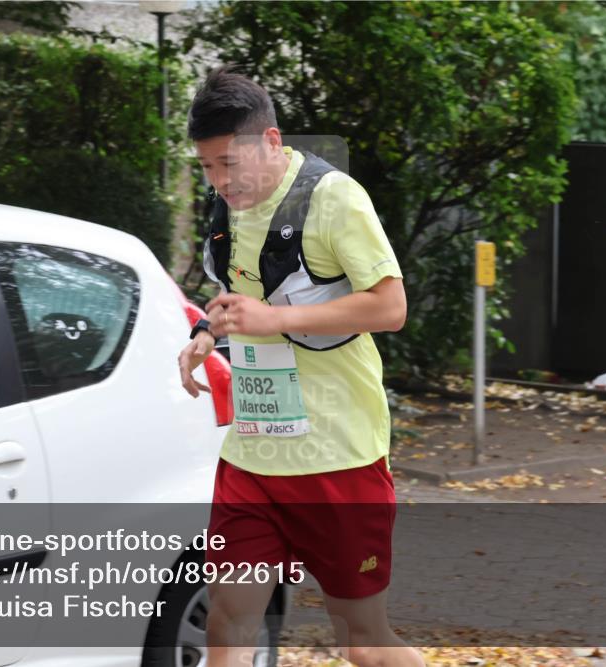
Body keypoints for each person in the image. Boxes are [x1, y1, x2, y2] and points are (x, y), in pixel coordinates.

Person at [178, 66, 425, 667]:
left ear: (271, 141)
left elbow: (391, 307)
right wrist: (206, 333)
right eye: (207, 167)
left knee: (362, 643)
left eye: (228, 166)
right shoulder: (227, 209)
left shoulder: (334, 198)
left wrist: (273, 322)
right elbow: (243, 294)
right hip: (253, 453)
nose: (219, 182)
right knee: (229, 624)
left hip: (337, 458)